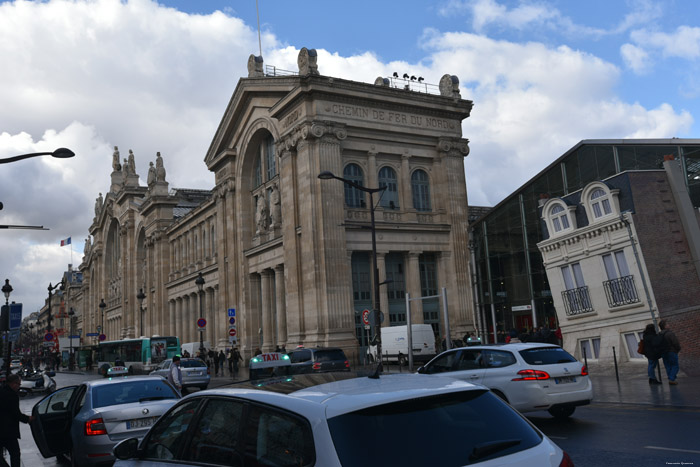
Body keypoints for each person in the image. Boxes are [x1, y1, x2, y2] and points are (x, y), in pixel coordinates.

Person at [0, 374, 35, 467]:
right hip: (8, 431)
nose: (19, 386)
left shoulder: (1, 391)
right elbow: (16, 414)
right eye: (18, 384)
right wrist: (28, 419)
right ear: (13, 384)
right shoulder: (12, 395)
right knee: (15, 453)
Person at [658, 320, 681, 385]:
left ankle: (671, 378)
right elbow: (675, 343)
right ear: (665, 326)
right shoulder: (670, 333)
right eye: (667, 324)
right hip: (671, 351)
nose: (669, 325)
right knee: (675, 365)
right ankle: (671, 379)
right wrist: (678, 350)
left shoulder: (659, 334)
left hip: (663, 352)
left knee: (668, 366)